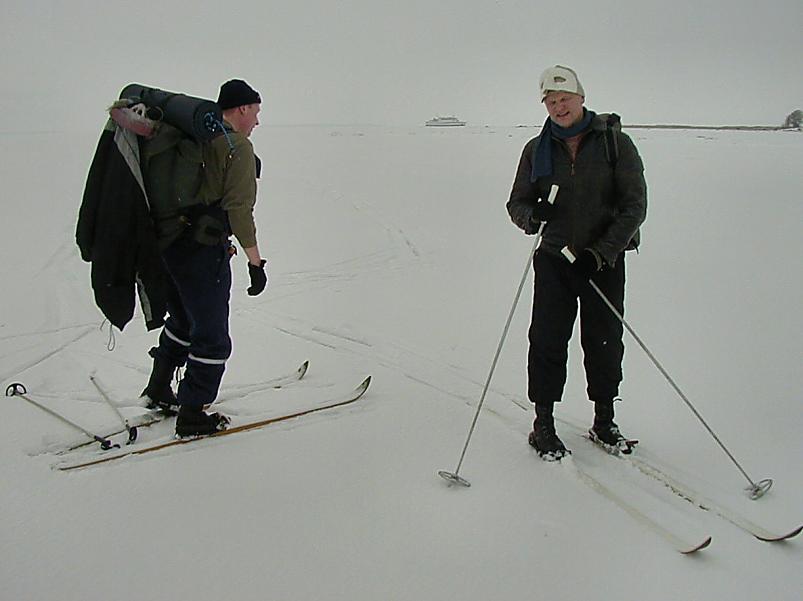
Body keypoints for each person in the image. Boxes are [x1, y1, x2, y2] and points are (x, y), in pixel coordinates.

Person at [507, 65, 647, 460]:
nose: (558, 107)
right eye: (551, 101)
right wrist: (533, 216)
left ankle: (604, 421)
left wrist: (600, 253)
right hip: (554, 261)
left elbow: (634, 207)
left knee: (604, 342)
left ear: (581, 98)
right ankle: (543, 425)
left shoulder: (614, 144)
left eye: (564, 98)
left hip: (602, 262)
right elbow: (516, 202)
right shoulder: (537, 149)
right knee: (547, 341)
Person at [140, 79, 268, 437]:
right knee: (211, 336)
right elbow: (239, 210)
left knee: (183, 319)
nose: (257, 121)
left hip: (169, 244)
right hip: (202, 250)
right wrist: (255, 263)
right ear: (242, 108)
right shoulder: (237, 146)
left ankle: (159, 387)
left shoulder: (194, 136)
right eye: (256, 112)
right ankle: (193, 413)